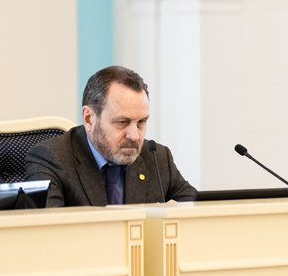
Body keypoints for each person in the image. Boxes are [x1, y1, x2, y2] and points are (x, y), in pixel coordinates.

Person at [25, 66, 197, 206]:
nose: (134, 136)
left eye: (141, 122)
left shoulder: (157, 158)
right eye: (122, 122)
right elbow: (49, 229)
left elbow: (194, 205)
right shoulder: (51, 159)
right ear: (89, 118)